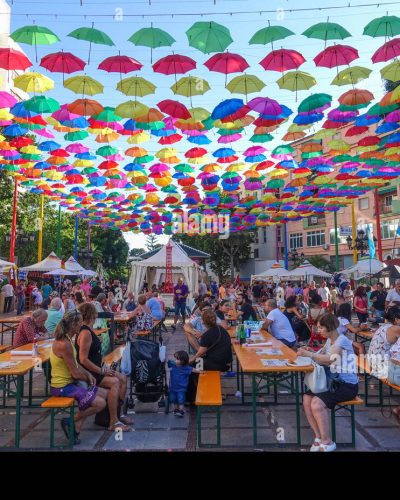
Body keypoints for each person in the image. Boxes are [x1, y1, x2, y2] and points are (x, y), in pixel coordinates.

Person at [298, 313, 359, 452]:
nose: (318, 330)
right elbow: (323, 355)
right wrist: (312, 350)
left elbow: (330, 358)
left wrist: (310, 354)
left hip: (347, 386)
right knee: (307, 399)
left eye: (320, 327)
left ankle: (328, 441)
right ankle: (318, 437)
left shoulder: (341, 341)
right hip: (331, 382)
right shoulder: (329, 341)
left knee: (317, 403)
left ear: (329, 327)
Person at [50, 309, 107, 444]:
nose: (82, 324)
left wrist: (88, 374)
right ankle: (69, 421)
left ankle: (74, 431)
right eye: (80, 322)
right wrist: (88, 377)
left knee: (103, 393)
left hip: (70, 384)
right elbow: (75, 373)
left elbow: (76, 364)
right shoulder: (65, 344)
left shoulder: (68, 338)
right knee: (100, 403)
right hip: (62, 387)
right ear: (73, 324)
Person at [76, 303, 132, 430]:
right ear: (92, 315)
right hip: (91, 372)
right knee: (115, 382)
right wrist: (102, 371)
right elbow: (83, 359)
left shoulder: (89, 330)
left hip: (97, 368)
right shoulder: (85, 333)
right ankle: (113, 422)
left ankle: (119, 413)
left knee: (123, 378)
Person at [367, 306, 400, 378]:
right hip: (381, 368)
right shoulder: (396, 328)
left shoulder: (383, 326)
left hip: (371, 363)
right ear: (396, 319)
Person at [168, 350, 199, 417]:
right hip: (172, 387)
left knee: (181, 399)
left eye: (177, 359)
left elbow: (194, 370)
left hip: (181, 388)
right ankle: (176, 409)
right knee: (173, 399)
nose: (175, 360)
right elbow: (166, 361)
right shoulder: (173, 365)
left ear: (183, 361)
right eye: (175, 358)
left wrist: (202, 371)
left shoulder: (186, 368)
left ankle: (181, 410)